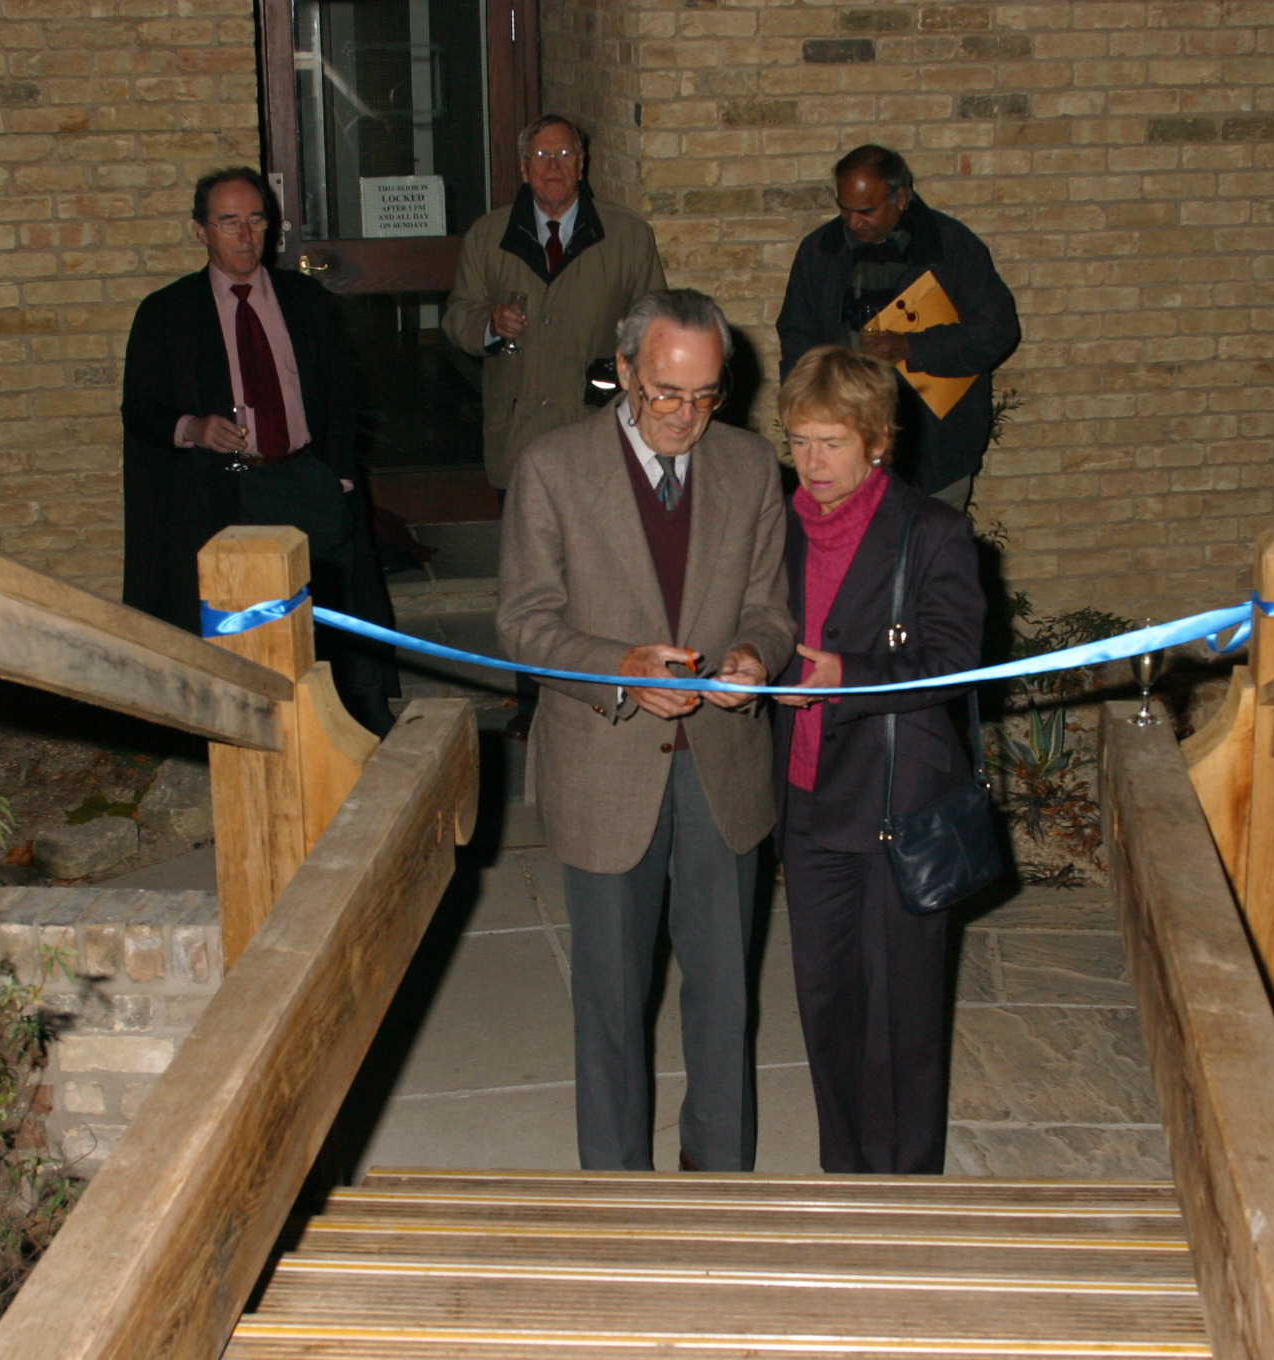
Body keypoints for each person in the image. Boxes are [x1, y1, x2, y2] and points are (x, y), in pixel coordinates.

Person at [496, 288, 795, 1172]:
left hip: (722, 769)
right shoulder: (553, 468)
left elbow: (771, 609)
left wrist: (751, 656)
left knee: (723, 1000)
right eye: (666, 392)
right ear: (624, 371)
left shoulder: (749, 465)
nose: (685, 416)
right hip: (604, 767)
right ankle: (617, 1200)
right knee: (611, 1008)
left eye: (706, 396)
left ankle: (722, 1194)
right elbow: (523, 621)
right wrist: (616, 669)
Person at [769, 345, 983, 1174]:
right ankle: (847, 1175)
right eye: (798, 441)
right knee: (826, 1003)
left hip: (896, 803)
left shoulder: (931, 532)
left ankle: (909, 1191)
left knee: (901, 1015)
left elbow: (959, 662)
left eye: (831, 442)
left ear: (877, 440)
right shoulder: (777, 526)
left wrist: (845, 675)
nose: (812, 463)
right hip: (806, 796)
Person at [121, 166, 398, 735]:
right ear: (201, 231)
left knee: (334, 616)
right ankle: (242, 729)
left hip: (305, 479)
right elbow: (140, 410)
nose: (245, 235)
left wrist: (339, 477)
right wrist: (193, 427)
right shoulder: (167, 313)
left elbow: (344, 396)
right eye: (229, 222)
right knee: (240, 625)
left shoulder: (307, 302)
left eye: (256, 220)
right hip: (220, 491)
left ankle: (346, 727)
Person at [775, 145, 1020, 511]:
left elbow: (998, 330)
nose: (853, 222)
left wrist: (912, 348)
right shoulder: (820, 251)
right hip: (842, 454)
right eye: (844, 209)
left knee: (931, 561)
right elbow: (795, 338)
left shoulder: (952, 247)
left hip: (933, 455)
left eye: (866, 211)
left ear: (901, 197)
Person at [445, 114, 668, 492]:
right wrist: (490, 324)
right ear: (523, 168)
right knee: (526, 546)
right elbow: (458, 316)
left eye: (564, 153)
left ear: (581, 165)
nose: (553, 164)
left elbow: (657, 326)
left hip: (600, 430)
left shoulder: (628, 236)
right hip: (519, 433)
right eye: (542, 154)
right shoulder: (487, 236)